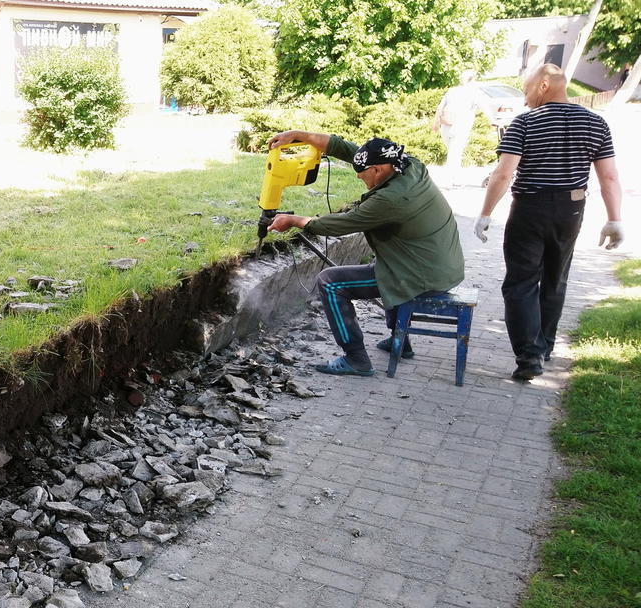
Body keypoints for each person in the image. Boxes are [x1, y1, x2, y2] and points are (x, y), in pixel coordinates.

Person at [266, 132, 465, 377]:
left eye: (362, 174)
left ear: (379, 170)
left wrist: (296, 221)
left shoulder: (390, 199)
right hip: (446, 265)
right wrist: (300, 136)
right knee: (383, 260)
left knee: (330, 282)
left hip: (421, 276)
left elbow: (341, 224)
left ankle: (356, 359)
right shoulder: (410, 166)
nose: (359, 177)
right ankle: (400, 342)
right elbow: (348, 149)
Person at [475, 64, 623, 381]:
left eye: (527, 89)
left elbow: (503, 173)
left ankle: (529, 357)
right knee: (556, 279)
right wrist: (614, 219)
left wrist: (486, 212)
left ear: (544, 85)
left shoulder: (525, 122)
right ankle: (545, 347)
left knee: (521, 282)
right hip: (571, 210)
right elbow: (609, 176)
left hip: (530, 208)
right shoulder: (596, 123)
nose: (525, 98)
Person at [432, 69, 481, 186]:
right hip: (461, 127)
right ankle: (450, 181)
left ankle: (454, 179)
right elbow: (484, 107)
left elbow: (440, 108)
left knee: (453, 152)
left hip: (446, 126)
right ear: (473, 79)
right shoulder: (474, 93)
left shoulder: (452, 91)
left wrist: (436, 124)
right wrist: (493, 120)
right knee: (455, 153)